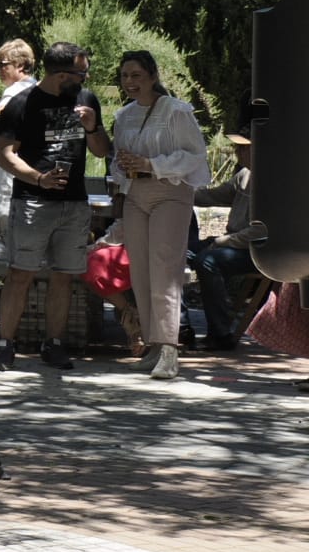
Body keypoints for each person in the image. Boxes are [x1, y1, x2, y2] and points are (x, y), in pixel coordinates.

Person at [0, 41, 112, 373]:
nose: (85, 79)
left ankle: (54, 344)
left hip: (74, 204)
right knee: (20, 274)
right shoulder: (21, 103)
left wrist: (92, 127)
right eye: (80, 73)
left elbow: (102, 152)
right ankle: (5, 345)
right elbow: (4, 154)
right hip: (32, 201)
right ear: (60, 75)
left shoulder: (86, 100)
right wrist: (38, 178)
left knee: (64, 276)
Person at [109, 50, 210, 380]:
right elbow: (116, 161)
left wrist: (153, 165)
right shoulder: (123, 116)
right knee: (140, 272)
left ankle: (169, 347)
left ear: (153, 76)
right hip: (136, 196)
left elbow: (195, 155)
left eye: (136, 75)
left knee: (165, 269)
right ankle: (152, 344)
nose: (130, 82)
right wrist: (124, 166)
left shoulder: (177, 111)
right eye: (125, 76)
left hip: (170, 193)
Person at [191, 134, 256, 352]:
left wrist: (221, 242)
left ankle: (221, 335)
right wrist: (179, 193)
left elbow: (262, 232)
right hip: (233, 243)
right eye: (237, 147)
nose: (237, 152)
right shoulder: (244, 175)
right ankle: (181, 328)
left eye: (243, 148)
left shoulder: (275, 181)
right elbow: (214, 196)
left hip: (258, 251)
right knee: (184, 251)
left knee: (208, 261)